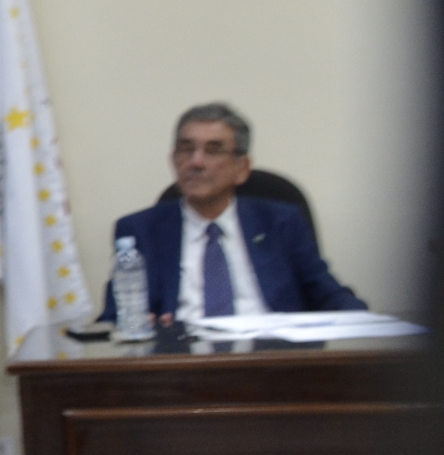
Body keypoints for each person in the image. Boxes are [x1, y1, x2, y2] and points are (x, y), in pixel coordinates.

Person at [103, 102, 365, 325]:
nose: (196, 162)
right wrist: (134, 323)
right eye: (186, 150)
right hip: (180, 369)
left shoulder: (282, 222)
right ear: (174, 161)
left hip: (274, 363)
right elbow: (115, 315)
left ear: (242, 168)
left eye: (213, 150)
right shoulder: (138, 231)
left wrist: (367, 324)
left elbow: (328, 294)